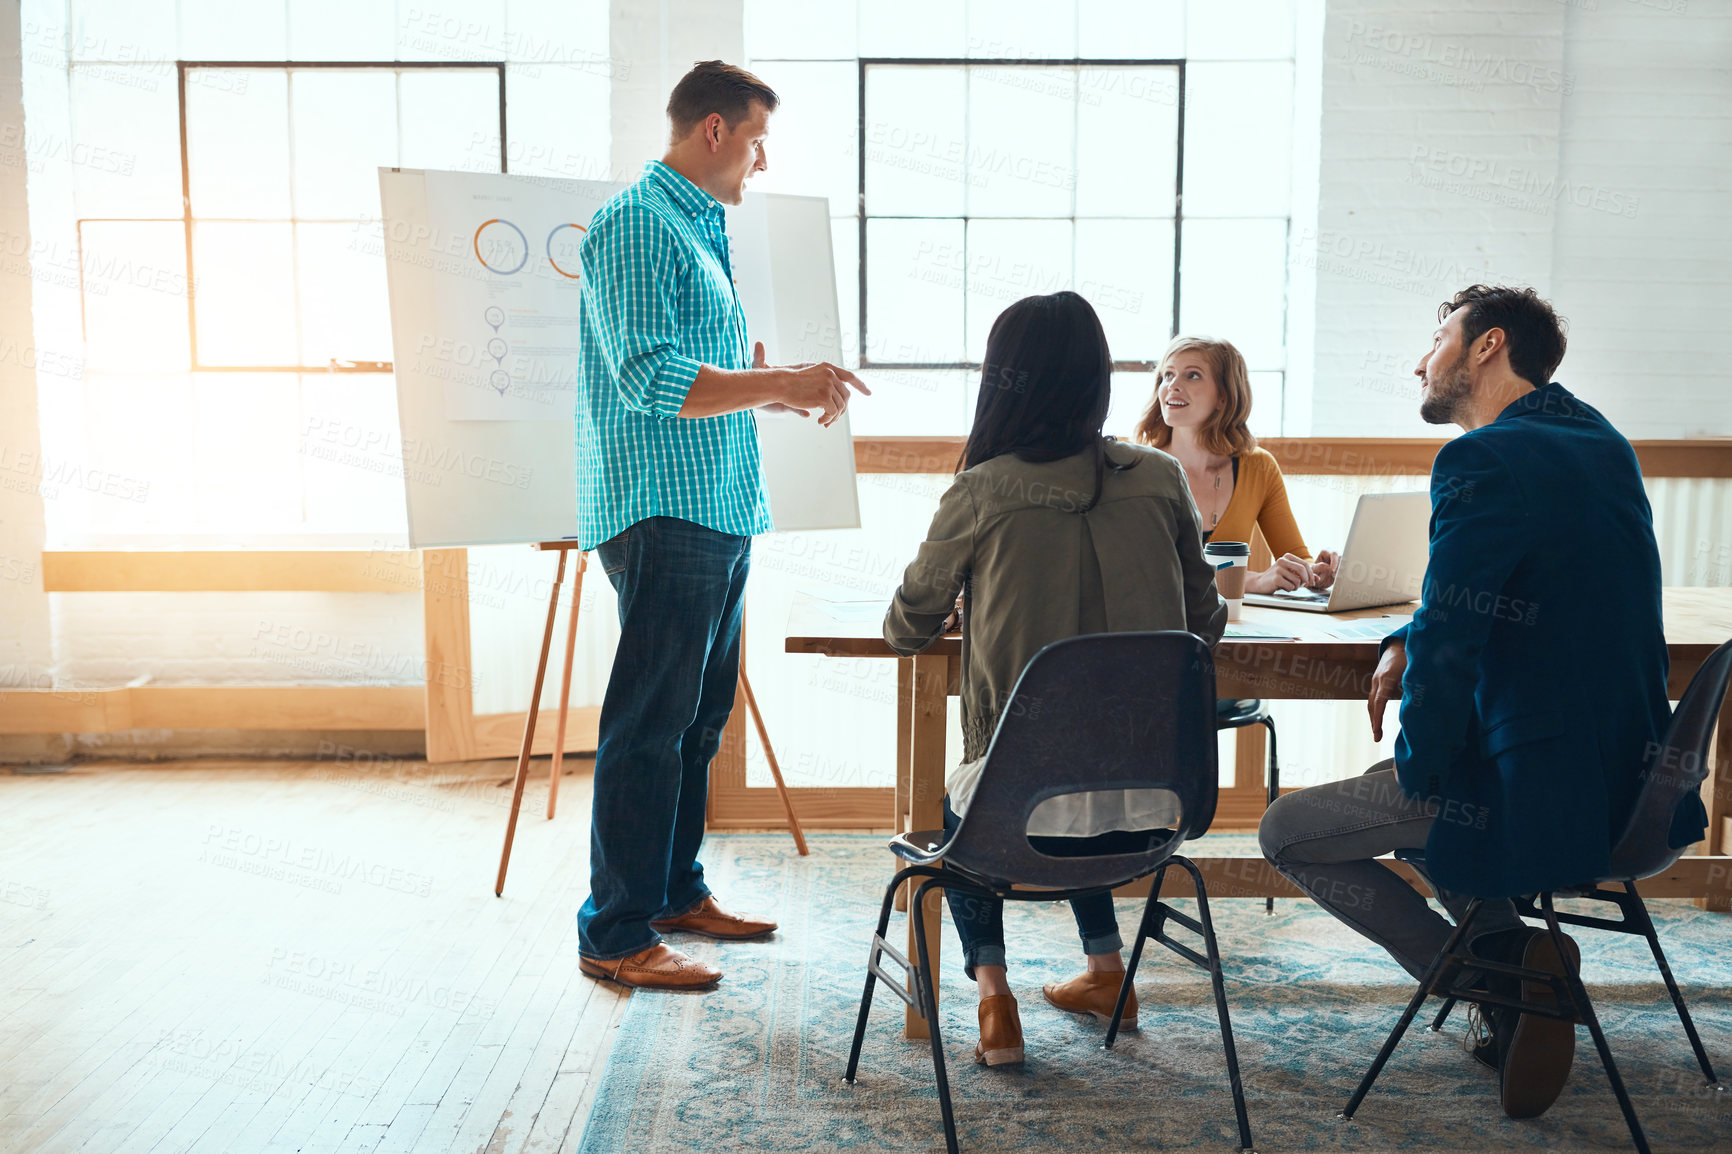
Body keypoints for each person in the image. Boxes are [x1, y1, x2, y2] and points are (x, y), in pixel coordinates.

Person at [1258, 285, 1678, 1119]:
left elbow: (1452, 647)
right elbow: (1488, 597)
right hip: (1630, 785)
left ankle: (1503, 980)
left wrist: (1416, 766)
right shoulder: (1600, 442)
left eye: (1437, 338)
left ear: (1487, 347)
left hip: (1537, 788)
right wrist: (1411, 631)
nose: (1421, 359)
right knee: (1428, 792)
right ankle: (1511, 964)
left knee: (1288, 830)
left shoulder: (1479, 460)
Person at [575, 61, 869, 991]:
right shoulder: (634, 225)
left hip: (720, 505)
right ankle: (614, 933)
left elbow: (704, 379)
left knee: (698, 722)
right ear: (713, 131)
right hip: (664, 512)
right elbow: (650, 378)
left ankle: (670, 893)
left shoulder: (699, 229)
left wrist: (773, 396)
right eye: (756, 141)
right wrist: (779, 383)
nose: (761, 162)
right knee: (649, 725)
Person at [883, 291, 1228, 1066]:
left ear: (1004, 381)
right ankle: (1109, 973)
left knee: (985, 797)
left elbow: (906, 628)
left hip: (1022, 813)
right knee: (1086, 751)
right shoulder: (1163, 476)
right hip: (1159, 807)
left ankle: (994, 1000)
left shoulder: (981, 489)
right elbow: (1204, 627)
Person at [1134, 336, 1337, 592]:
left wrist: (1314, 573)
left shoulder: (1259, 467)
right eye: (1167, 375)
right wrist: (1257, 580)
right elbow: (1154, 575)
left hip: (1237, 625)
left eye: (1192, 375)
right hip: (1163, 627)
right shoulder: (1139, 468)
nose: (1172, 385)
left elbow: (1294, 554)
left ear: (1224, 396)